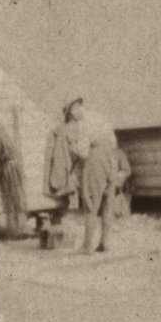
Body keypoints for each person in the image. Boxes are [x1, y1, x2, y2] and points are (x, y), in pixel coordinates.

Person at [62, 96, 118, 253]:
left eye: (71, 115)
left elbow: (83, 152)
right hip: (111, 158)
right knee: (107, 204)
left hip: (96, 159)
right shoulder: (99, 116)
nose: (72, 118)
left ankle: (87, 246)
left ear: (74, 110)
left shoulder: (83, 124)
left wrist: (71, 146)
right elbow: (113, 141)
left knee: (91, 203)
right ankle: (105, 243)